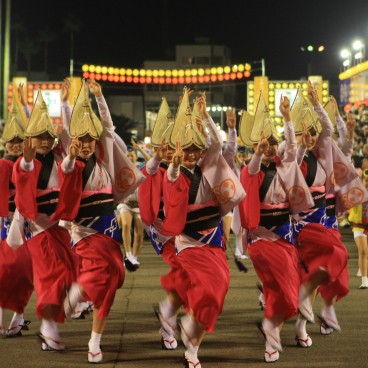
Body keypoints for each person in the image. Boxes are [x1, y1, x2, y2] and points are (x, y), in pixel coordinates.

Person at [52, 78, 145, 363]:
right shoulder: (73, 164)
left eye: (90, 140)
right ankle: (79, 298)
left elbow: (107, 127)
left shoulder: (104, 160)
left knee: (115, 278)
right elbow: (68, 158)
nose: (86, 145)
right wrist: (66, 104)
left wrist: (100, 97)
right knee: (100, 275)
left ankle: (94, 336)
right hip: (84, 231)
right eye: (80, 141)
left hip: (109, 232)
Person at [157, 90, 245, 368]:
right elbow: (171, 180)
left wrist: (205, 115)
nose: (193, 154)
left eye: (197, 149)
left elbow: (217, 145)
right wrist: (174, 165)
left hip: (213, 243)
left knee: (217, 290)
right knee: (200, 291)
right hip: (187, 245)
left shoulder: (209, 165)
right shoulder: (174, 173)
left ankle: (186, 329)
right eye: (188, 150)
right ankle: (192, 351)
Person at [238, 93, 313, 362]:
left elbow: (292, 147)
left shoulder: (285, 166)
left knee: (276, 292)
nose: (269, 148)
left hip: (286, 240)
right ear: (256, 146)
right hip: (262, 242)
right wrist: (257, 154)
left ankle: (271, 337)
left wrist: (287, 117)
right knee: (287, 296)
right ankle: (272, 332)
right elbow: (251, 169)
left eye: (272, 143)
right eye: (263, 144)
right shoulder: (252, 170)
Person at [291, 81, 367, 347]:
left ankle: (311, 319)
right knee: (317, 268)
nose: (310, 136)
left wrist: (317, 106)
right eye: (305, 132)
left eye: (312, 132)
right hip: (301, 226)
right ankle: (301, 315)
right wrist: (297, 137)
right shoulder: (291, 154)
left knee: (331, 267)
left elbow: (332, 136)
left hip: (325, 221)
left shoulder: (323, 156)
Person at [9, 88, 78, 351]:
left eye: (49, 136)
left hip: (59, 227)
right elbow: (23, 176)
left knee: (71, 270)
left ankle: (50, 326)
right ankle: (48, 328)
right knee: (51, 276)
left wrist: (65, 103)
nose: (45, 142)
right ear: (30, 140)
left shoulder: (60, 157)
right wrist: (27, 161)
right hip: (38, 229)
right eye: (39, 137)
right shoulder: (23, 163)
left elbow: (71, 133)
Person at [0, 87, 33, 337]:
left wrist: (24, 105)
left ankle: (19, 318)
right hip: (3, 224)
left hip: (26, 223)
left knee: (25, 273)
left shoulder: (30, 164)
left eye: (18, 141)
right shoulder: (1, 164)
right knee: (4, 272)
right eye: (10, 142)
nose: (14, 145)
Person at [118, 139, 150, 270]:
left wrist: (141, 149)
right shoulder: (121, 167)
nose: (130, 157)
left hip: (139, 205)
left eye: (132, 155)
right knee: (125, 225)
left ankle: (134, 257)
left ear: (136, 156)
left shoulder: (141, 166)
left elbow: (151, 161)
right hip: (125, 203)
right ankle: (128, 254)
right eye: (127, 156)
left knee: (139, 232)